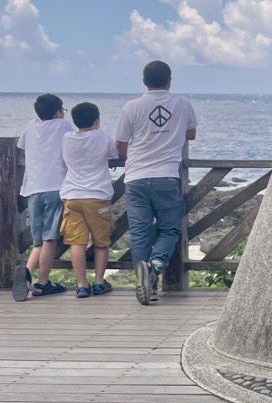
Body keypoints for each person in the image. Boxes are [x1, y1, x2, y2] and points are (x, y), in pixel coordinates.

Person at [115, 61, 198, 306]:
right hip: (166, 176)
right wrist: (170, 133)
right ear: (169, 80)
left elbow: (120, 144)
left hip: (136, 177)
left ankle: (145, 281)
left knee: (140, 232)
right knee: (170, 228)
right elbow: (191, 133)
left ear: (144, 81)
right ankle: (157, 263)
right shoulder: (182, 103)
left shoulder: (131, 107)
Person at [13, 93, 70, 301]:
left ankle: (27, 271)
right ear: (57, 112)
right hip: (55, 187)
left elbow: (21, 146)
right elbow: (77, 141)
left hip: (33, 187)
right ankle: (43, 282)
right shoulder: (63, 126)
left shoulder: (30, 126)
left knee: (38, 239)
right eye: (63, 110)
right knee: (50, 237)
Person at [60, 102, 118, 298]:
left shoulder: (67, 138)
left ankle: (82, 285)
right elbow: (115, 153)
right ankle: (99, 282)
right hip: (97, 196)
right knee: (101, 241)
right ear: (96, 121)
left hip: (72, 196)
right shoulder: (101, 136)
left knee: (77, 243)